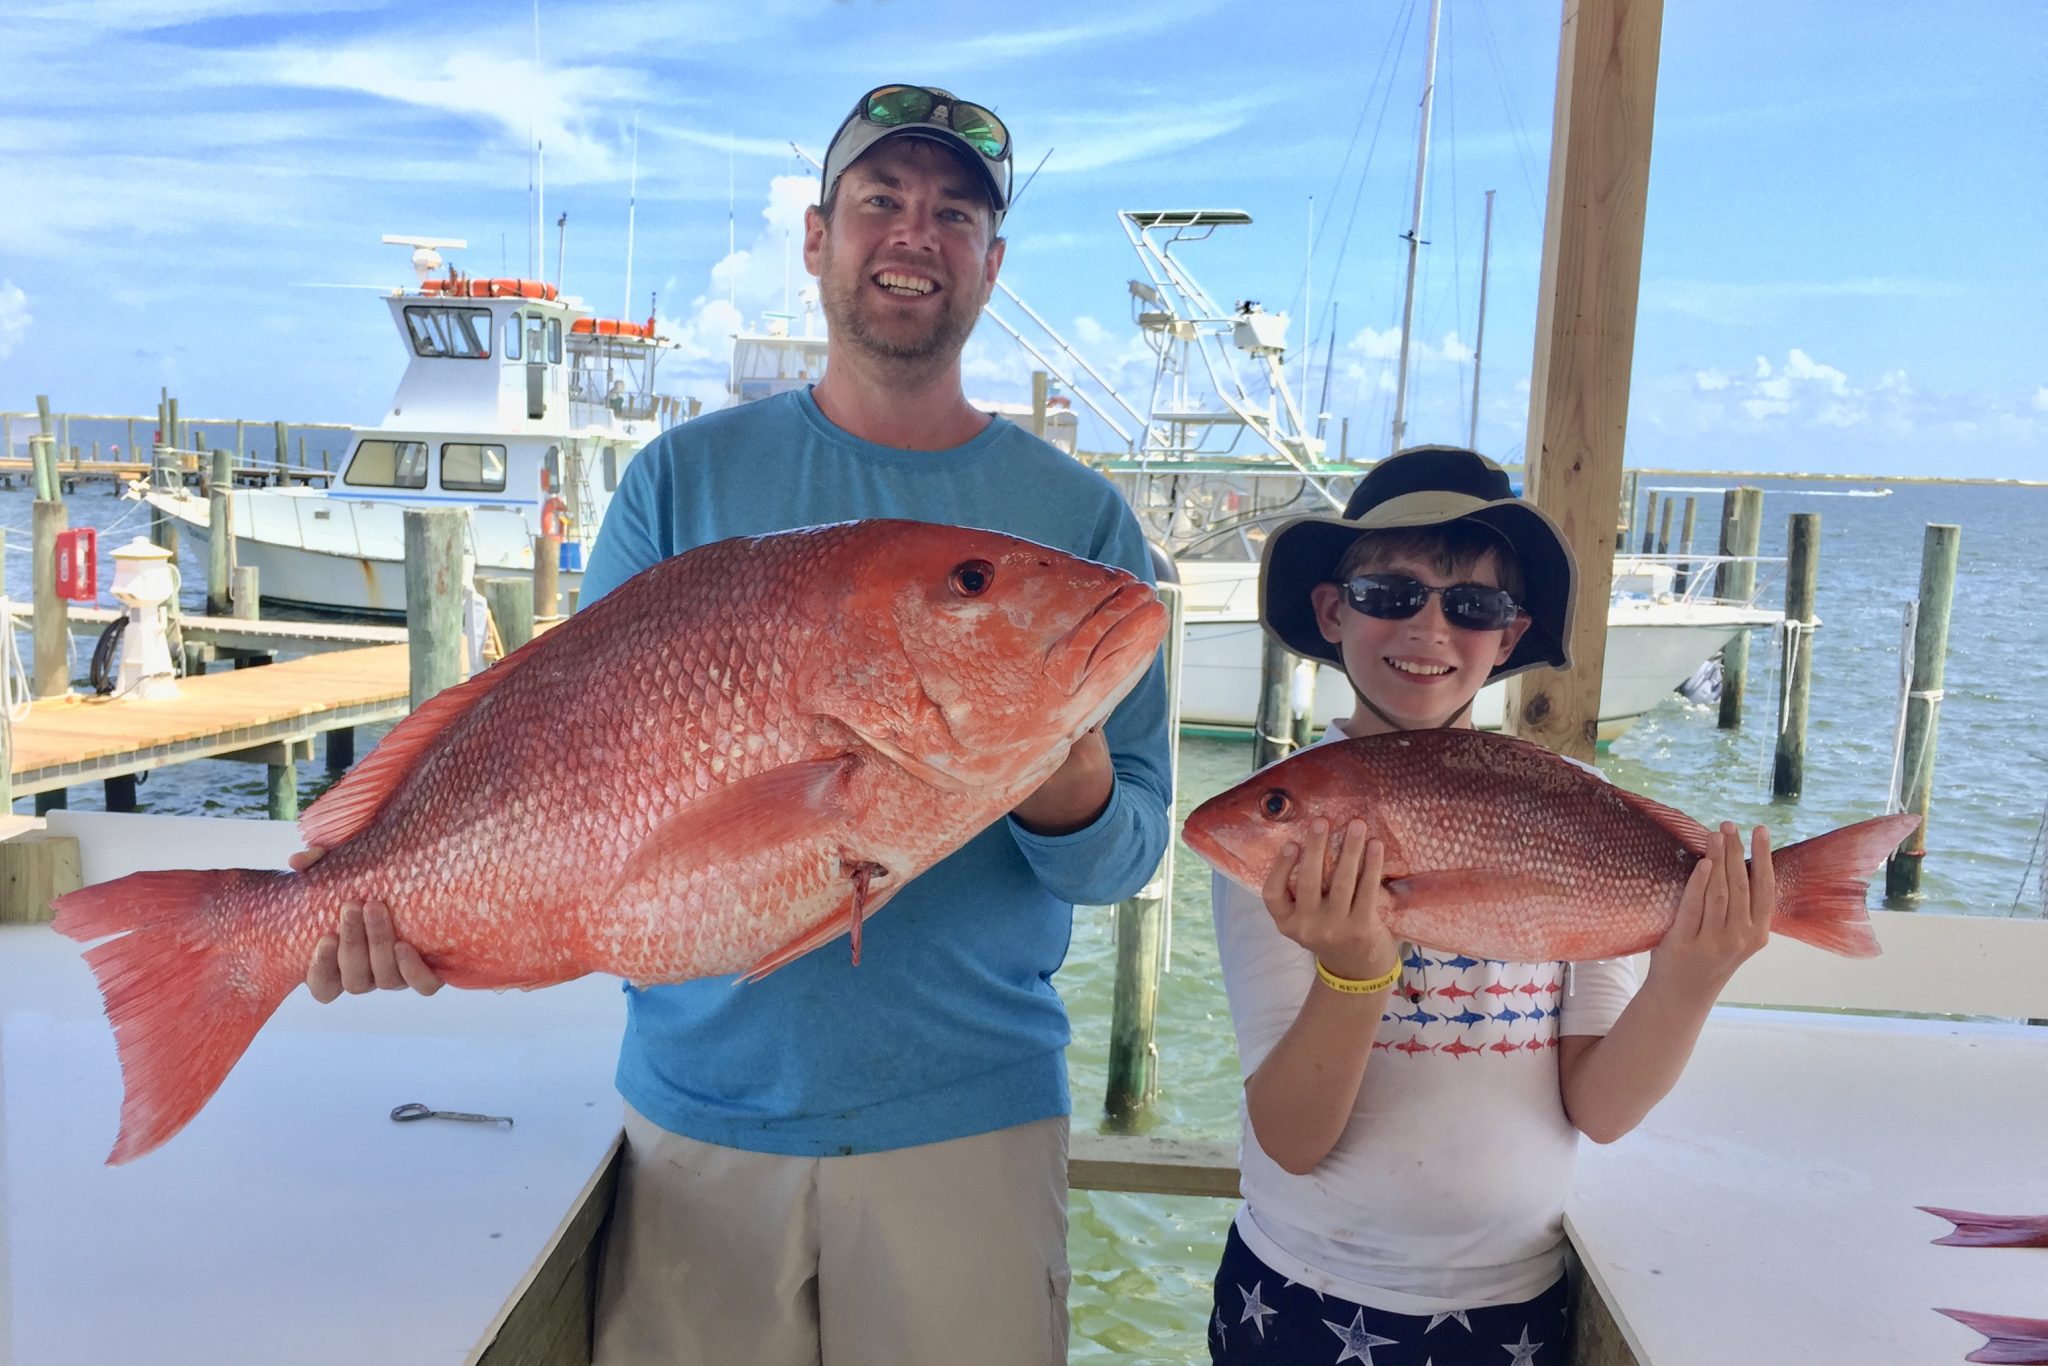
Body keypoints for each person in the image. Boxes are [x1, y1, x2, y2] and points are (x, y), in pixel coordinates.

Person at [300, 83, 1172, 1366]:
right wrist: (418, 902)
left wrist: (1052, 754)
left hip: (969, 1121)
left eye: (952, 213)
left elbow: (1126, 857)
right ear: (818, 237)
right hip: (698, 1127)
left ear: (993, 260)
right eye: (880, 200)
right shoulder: (678, 480)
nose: (912, 235)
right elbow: (569, 759)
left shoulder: (1079, 529)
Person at [1205, 446, 1775, 1365]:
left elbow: (1601, 1104)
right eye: (1393, 593)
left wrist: (1694, 974)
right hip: (1302, 1295)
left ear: (1508, 638)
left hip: (1513, 1303)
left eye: (1472, 606)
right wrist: (1354, 976)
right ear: (1331, 608)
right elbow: (1291, 1140)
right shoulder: (1284, 825)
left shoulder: (1575, 807)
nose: (1430, 628)